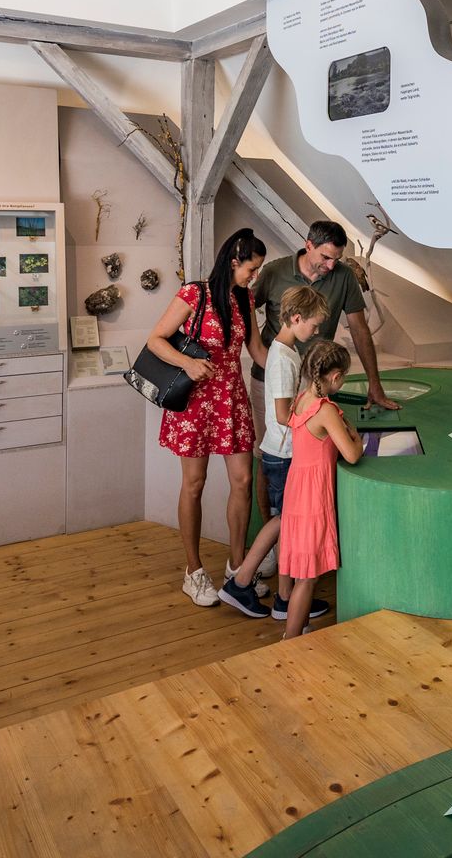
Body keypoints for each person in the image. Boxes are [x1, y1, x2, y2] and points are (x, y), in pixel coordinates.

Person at [146, 227, 269, 607]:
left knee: (243, 480)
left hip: (232, 398)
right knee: (194, 484)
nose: (255, 276)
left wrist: (293, 371)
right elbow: (156, 339)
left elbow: (257, 350)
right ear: (233, 262)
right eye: (251, 269)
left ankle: (238, 568)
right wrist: (187, 363)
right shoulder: (194, 294)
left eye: (258, 270)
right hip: (195, 400)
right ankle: (194, 571)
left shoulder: (246, 299)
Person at [218, 285, 328, 620]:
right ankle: (241, 582)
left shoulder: (287, 352)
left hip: (285, 451)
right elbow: (282, 415)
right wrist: (315, 421)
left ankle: (284, 598)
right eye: (314, 324)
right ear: (296, 318)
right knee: (283, 521)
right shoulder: (281, 358)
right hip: (283, 453)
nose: (316, 331)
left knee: (287, 523)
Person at [252, 219, 401, 411]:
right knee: (273, 429)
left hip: (315, 381)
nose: (331, 266)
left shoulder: (345, 276)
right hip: (270, 377)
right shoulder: (273, 272)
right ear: (308, 246)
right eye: (325, 257)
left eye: (336, 259)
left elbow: (359, 330)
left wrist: (374, 382)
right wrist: (262, 357)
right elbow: (243, 312)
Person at [275, 339, 362, 638]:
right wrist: (357, 438)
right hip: (313, 497)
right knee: (307, 578)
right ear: (335, 376)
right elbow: (351, 454)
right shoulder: (326, 411)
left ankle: (299, 628)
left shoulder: (302, 399)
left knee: (302, 570)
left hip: (297, 491)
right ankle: (290, 638)